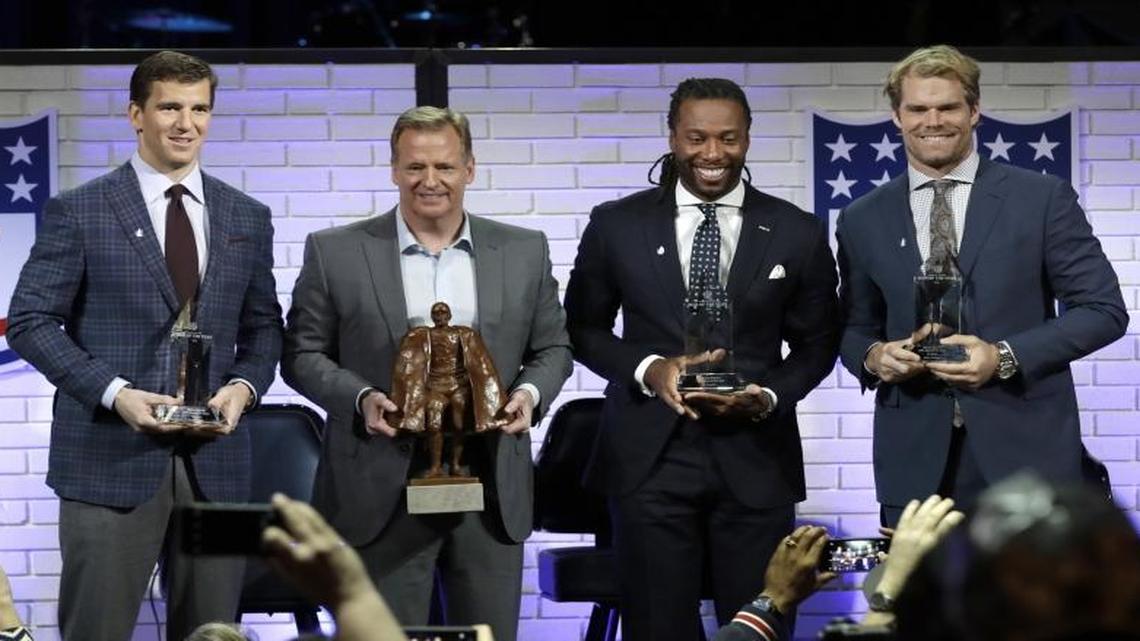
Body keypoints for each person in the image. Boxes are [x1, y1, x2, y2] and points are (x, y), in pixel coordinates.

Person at [6, 51, 282, 641]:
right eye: (170, 107)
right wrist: (117, 395)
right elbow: (30, 321)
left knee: (215, 634)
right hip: (107, 463)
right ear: (136, 114)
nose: (187, 123)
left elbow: (264, 329)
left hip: (219, 473)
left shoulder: (247, 216)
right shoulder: (79, 211)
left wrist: (243, 388)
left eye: (200, 108)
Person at [281, 106, 572, 641]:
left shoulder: (525, 250)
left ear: (470, 169)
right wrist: (362, 397)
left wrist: (529, 394)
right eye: (415, 167)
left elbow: (554, 347)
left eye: (444, 166)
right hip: (379, 489)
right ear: (393, 169)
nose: (430, 181)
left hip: (490, 489)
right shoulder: (335, 252)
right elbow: (301, 355)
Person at [564, 77, 840, 640]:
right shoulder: (616, 224)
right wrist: (651, 370)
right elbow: (582, 328)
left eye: (728, 138)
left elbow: (818, 345)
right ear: (672, 137)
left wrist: (765, 395)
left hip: (757, 458)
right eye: (696, 138)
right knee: (658, 629)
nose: (712, 154)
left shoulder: (798, 231)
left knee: (762, 626)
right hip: (649, 462)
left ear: (747, 138)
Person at [836, 44, 1128, 526]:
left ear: (974, 111)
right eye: (918, 108)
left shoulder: (1041, 198)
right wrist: (874, 356)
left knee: (1035, 603)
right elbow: (853, 326)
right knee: (920, 603)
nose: (934, 120)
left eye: (948, 106)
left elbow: (1102, 310)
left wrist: (1003, 356)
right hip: (914, 462)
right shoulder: (862, 217)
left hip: (1026, 455)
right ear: (897, 116)